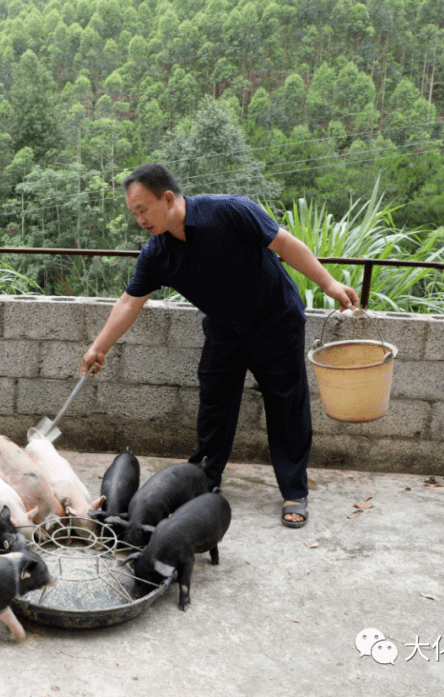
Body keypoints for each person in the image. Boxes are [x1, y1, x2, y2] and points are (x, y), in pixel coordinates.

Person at [80, 162, 359, 528]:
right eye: (134, 213)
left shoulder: (228, 210)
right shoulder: (157, 253)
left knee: (287, 405)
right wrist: (99, 347)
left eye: (143, 210)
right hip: (225, 330)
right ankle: (204, 483)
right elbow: (130, 301)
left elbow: (285, 244)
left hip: (277, 322)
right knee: (214, 406)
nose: (139, 220)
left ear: (167, 198)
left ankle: (295, 491)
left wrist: (329, 284)